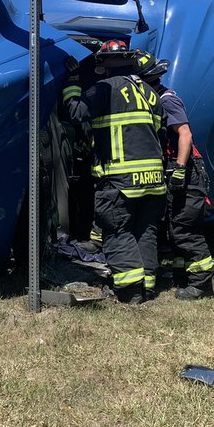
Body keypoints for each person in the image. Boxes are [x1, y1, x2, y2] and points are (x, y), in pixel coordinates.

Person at [63, 41, 166, 304]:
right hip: (154, 180)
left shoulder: (104, 89)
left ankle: (130, 291)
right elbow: (159, 133)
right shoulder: (149, 92)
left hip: (120, 180)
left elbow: (76, 112)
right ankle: (149, 287)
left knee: (118, 231)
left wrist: (72, 81)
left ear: (104, 65)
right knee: (146, 231)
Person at [137, 55, 214, 300]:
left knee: (185, 229)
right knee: (173, 228)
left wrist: (180, 169)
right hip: (173, 169)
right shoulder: (155, 100)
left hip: (186, 172)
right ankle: (183, 276)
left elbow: (184, 134)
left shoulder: (167, 100)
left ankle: (202, 285)